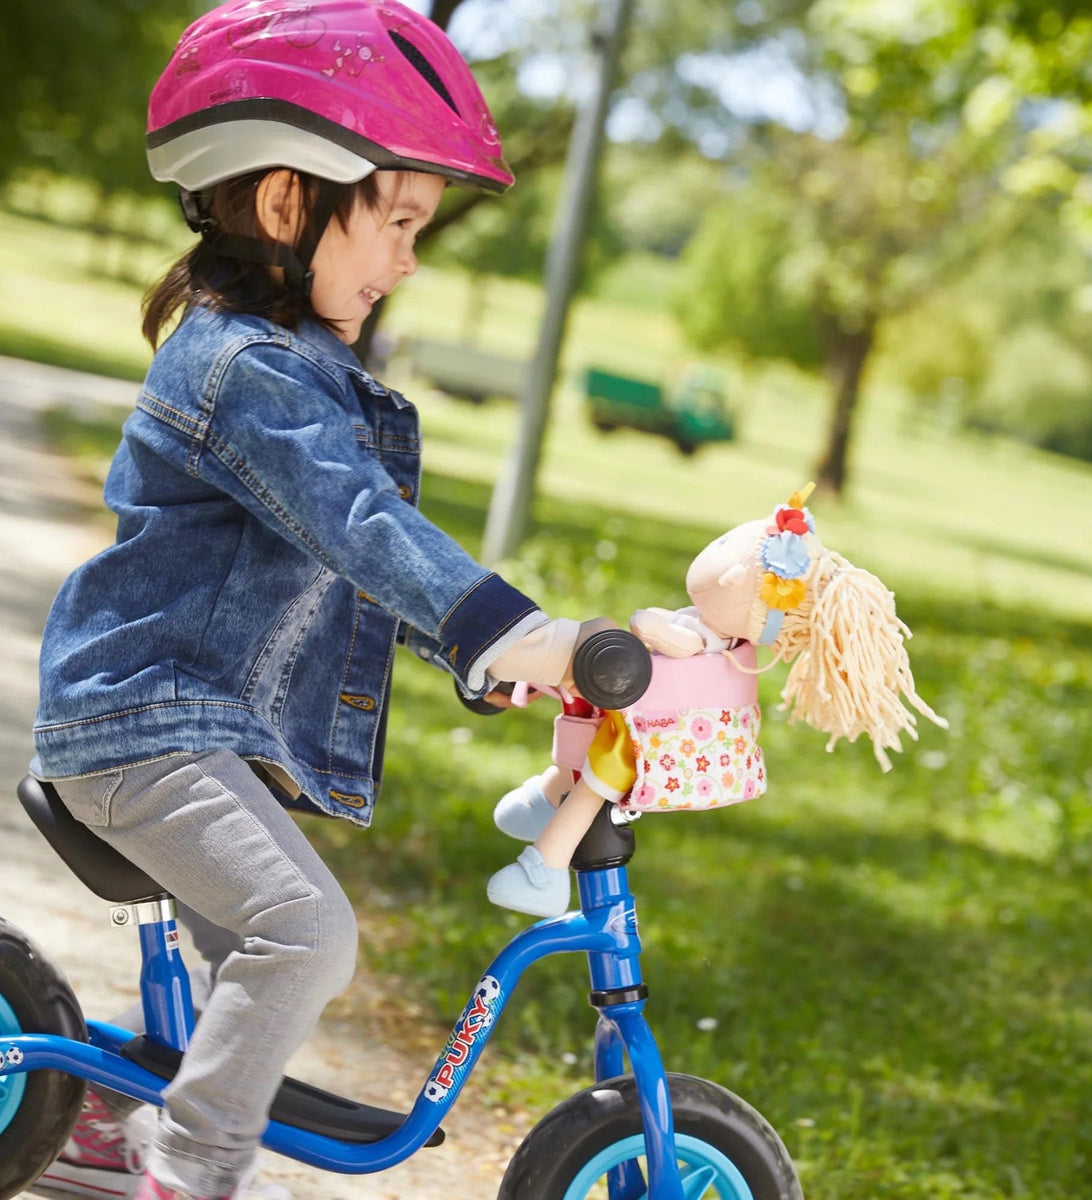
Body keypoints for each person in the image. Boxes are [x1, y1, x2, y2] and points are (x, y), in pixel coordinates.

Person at [29, 3, 609, 1198]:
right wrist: (512, 626)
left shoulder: (307, 371)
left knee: (268, 953)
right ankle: (189, 1169)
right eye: (394, 222)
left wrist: (494, 657)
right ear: (288, 204)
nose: (409, 259)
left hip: (185, 729)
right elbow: (361, 526)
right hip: (144, 725)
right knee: (308, 932)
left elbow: (356, 566)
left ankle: (100, 1110)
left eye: (419, 231)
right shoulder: (243, 371)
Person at [487, 488, 948, 916]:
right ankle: (546, 800)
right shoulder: (726, 640)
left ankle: (545, 870)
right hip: (650, 726)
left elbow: (653, 630)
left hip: (651, 740)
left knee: (594, 782)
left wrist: (646, 623)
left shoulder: (702, 633)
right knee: (587, 740)